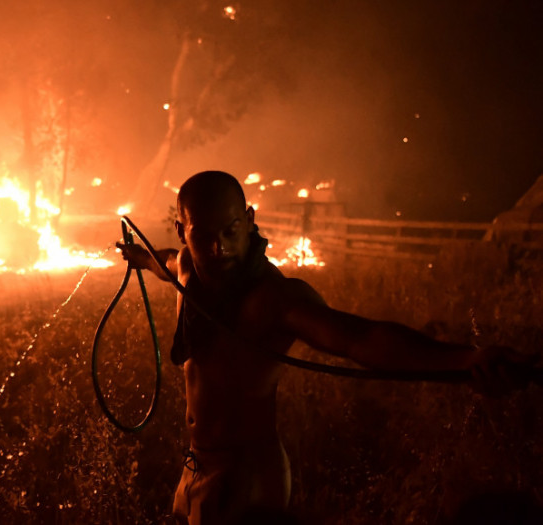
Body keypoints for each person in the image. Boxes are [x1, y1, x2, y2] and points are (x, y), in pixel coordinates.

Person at [116, 170, 536, 525]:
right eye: (203, 236)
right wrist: (141, 256)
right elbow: (167, 260)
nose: (218, 248)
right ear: (182, 231)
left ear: (248, 220)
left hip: (247, 478)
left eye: (230, 232)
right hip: (195, 467)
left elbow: (360, 338)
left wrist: (466, 360)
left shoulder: (276, 299)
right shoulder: (188, 269)